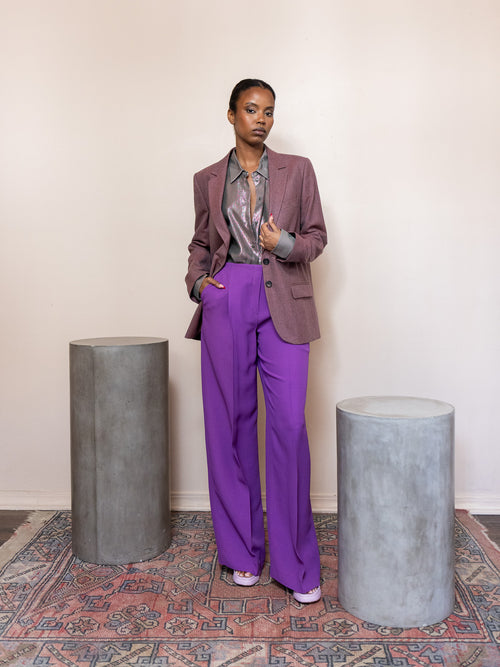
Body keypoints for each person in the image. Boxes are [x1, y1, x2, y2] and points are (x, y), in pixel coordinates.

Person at [185, 79, 327, 604]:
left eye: (268, 111)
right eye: (251, 109)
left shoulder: (298, 170)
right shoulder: (206, 179)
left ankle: (295, 563)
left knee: (288, 424)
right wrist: (200, 284)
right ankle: (242, 553)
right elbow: (201, 243)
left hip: (284, 296)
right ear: (231, 115)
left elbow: (317, 237)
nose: (261, 119)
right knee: (230, 425)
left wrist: (283, 242)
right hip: (228, 298)